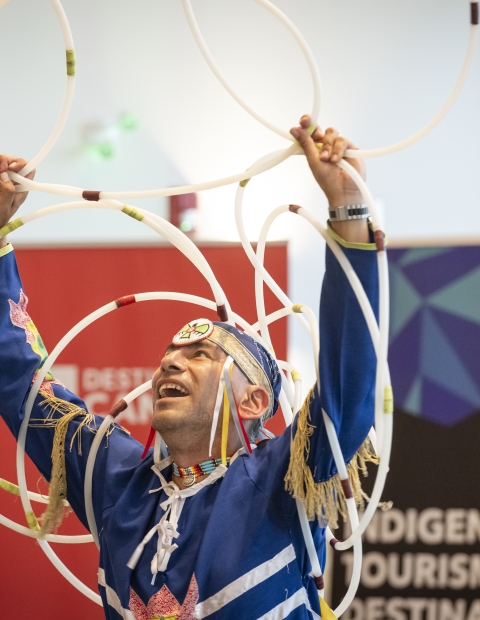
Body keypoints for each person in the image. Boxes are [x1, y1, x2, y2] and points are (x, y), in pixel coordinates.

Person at [0, 115, 379, 620]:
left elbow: (346, 388)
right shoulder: (112, 479)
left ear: (255, 402)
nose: (170, 363)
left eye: (200, 355)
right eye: (167, 357)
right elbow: (17, 376)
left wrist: (349, 209)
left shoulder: (284, 478)